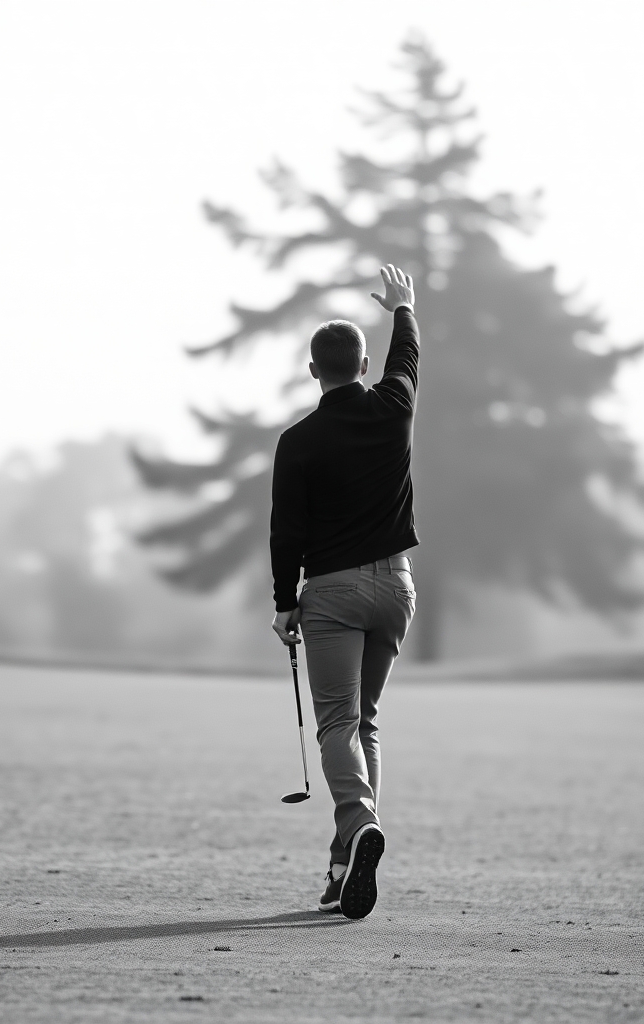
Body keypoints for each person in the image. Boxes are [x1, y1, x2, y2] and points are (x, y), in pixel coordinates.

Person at [270, 264, 419, 920]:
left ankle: (358, 826)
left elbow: (287, 532)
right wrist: (403, 309)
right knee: (365, 721)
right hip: (395, 586)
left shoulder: (297, 441)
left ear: (313, 372)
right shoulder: (393, 407)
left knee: (337, 722)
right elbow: (408, 359)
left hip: (330, 591)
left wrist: (284, 601)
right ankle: (342, 863)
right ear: (362, 365)